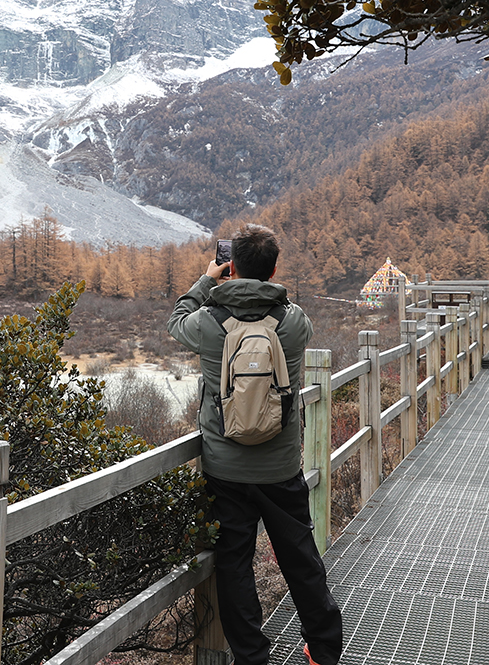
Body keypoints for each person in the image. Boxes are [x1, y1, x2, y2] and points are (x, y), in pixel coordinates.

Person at [168, 223, 344, 665]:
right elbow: (286, 308)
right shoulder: (294, 322)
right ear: (274, 268)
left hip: (224, 470)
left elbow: (175, 321)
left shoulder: (208, 322)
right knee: (300, 557)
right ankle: (323, 649)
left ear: (231, 266)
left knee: (234, 564)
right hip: (280, 467)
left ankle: (251, 656)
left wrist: (208, 281)